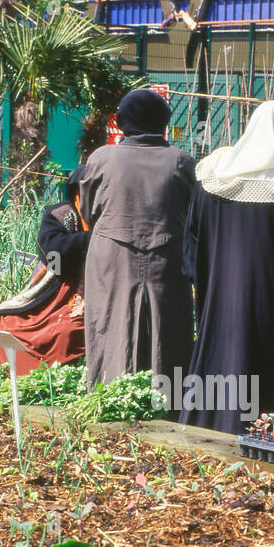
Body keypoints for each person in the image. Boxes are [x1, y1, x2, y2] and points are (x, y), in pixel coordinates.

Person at [179, 100, 274, 434]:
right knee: (267, 364)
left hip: (218, 297)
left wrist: (199, 282)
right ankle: (260, 434)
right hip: (273, 302)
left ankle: (209, 427)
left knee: (218, 357)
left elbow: (191, 240)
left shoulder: (214, 175)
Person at [81, 88, 196, 387]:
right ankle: (168, 403)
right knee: (166, 330)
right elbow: (193, 214)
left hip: (111, 257)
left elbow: (88, 209)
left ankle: (108, 397)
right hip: (166, 258)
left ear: (121, 121)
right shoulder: (181, 161)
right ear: (163, 121)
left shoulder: (102, 158)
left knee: (110, 326)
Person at [0, 166, 93, 374]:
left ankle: (52, 385)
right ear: (76, 193)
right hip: (55, 293)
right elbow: (54, 257)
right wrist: (92, 239)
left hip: (86, 299)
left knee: (65, 334)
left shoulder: (114, 220)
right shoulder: (61, 215)